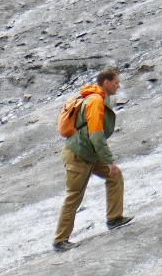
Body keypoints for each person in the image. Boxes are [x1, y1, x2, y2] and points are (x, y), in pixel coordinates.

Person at [53, 66, 133, 251]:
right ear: (106, 83)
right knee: (74, 195)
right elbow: (96, 135)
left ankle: (114, 218)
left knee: (115, 175)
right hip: (79, 155)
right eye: (116, 82)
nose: (118, 86)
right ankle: (60, 240)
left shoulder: (98, 98)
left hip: (89, 153)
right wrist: (109, 160)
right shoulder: (96, 101)